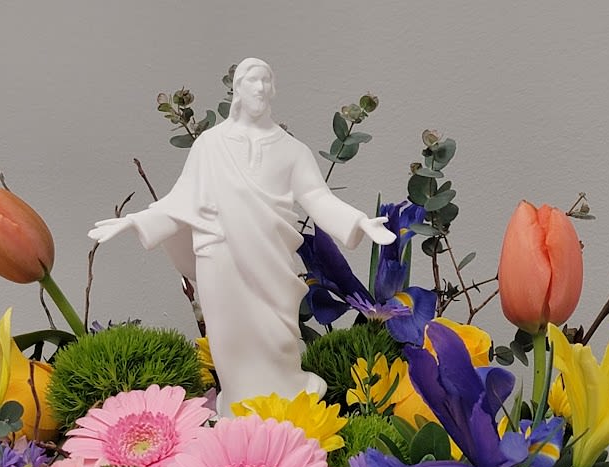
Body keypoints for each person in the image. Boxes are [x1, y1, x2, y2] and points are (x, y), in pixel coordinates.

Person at [89, 57, 395, 413]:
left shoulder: (291, 151)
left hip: (271, 262)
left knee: (277, 338)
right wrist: (137, 221)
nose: (261, 88)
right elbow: (182, 198)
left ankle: (285, 406)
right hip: (220, 258)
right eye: (253, 80)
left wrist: (357, 222)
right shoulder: (209, 145)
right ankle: (238, 408)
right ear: (237, 89)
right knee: (230, 341)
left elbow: (315, 197)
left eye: (267, 81)